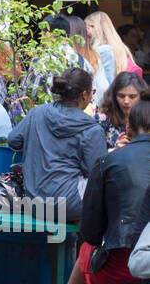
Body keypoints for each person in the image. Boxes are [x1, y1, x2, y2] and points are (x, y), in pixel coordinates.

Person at [26, 100, 150, 284]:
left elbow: (91, 230)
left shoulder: (111, 160)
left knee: (91, 260)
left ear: (129, 128)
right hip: (139, 269)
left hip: (131, 268)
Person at [7, 67, 106, 223]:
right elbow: (96, 174)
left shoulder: (37, 113)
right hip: (69, 207)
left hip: (34, 204)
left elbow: (13, 140)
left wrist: (35, 149)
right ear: (85, 94)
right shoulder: (92, 129)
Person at [95, 71, 149, 150]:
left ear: (141, 96)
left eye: (132, 96)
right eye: (121, 96)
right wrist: (114, 150)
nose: (126, 101)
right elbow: (93, 157)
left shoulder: (147, 119)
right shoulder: (102, 120)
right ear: (113, 96)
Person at [85, 10, 142, 78]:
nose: (86, 32)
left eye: (87, 28)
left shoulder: (101, 49)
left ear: (95, 28)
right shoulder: (121, 47)